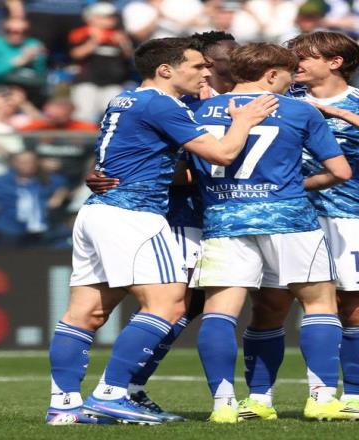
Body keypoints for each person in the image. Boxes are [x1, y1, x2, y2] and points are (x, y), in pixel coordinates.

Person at [45, 36, 278, 426]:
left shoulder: (124, 99)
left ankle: (64, 405)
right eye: (197, 66)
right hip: (133, 213)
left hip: (98, 212)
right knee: (169, 304)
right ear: (166, 70)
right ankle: (111, 394)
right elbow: (222, 154)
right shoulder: (161, 103)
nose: (205, 74)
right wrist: (243, 121)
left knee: (86, 312)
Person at [237, 31, 359, 420]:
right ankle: (259, 399)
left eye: (304, 56)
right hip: (287, 215)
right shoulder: (282, 98)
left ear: (335, 62)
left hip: (351, 217)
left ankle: (353, 398)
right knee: (270, 305)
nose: (295, 63)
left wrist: (341, 115)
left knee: (355, 307)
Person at [188, 42, 359, 424]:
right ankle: (321, 398)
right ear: (270, 75)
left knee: (220, 312)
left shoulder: (197, 111)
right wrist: (294, 186)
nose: (291, 83)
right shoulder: (299, 110)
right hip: (289, 219)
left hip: (223, 219)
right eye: (287, 75)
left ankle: (223, 405)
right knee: (319, 303)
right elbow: (341, 171)